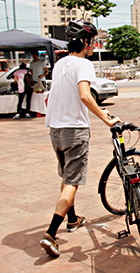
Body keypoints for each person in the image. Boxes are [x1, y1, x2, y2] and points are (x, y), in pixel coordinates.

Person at [40, 20, 119, 258]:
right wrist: (106, 120)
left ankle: (72, 219)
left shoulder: (60, 63)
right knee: (72, 182)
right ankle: (51, 233)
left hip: (56, 129)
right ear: (85, 42)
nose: (93, 45)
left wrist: (100, 112)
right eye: (92, 41)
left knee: (67, 177)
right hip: (75, 130)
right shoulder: (84, 64)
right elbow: (85, 95)